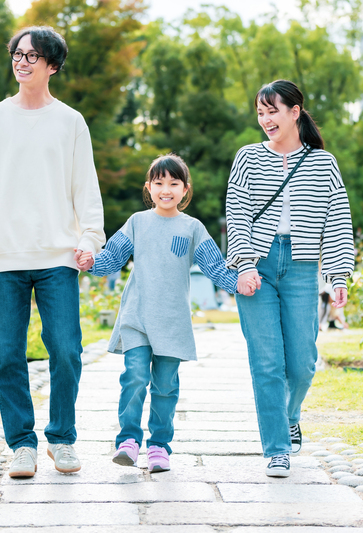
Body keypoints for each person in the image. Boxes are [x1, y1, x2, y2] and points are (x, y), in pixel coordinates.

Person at [0, 26, 105, 478]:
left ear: (52, 65)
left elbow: (86, 188)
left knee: (67, 350)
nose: (22, 61)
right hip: (5, 256)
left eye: (32, 56)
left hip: (58, 256)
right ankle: (21, 444)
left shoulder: (71, 122)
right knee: (6, 356)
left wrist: (89, 238)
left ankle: (62, 438)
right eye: (17, 54)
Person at [76, 154, 243, 472]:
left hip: (172, 321)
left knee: (165, 387)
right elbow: (112, 257)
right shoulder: (137, 223)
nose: (166, 189)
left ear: (185, 189)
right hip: (137, 317)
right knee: (135, 377)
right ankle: (128, 441)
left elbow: (215, 267)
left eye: (174, 183)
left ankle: (159, 446)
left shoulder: (193, 228)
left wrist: (239, 283)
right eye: (159, 183)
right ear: (149, 187)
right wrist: (91, 262)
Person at [225, 79, 355, 477]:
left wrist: (338, 275)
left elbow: (337, 218)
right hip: (257, 265)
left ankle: (290, 415)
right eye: (260, 113)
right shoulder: (248, 157)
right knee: (267, 363)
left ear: (295, 112)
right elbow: (237, 212)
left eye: (273, 111)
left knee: (302, 364)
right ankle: (277, 448)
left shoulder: (323, 163)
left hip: (301, 267)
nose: (266, 120)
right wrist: (245, 263)